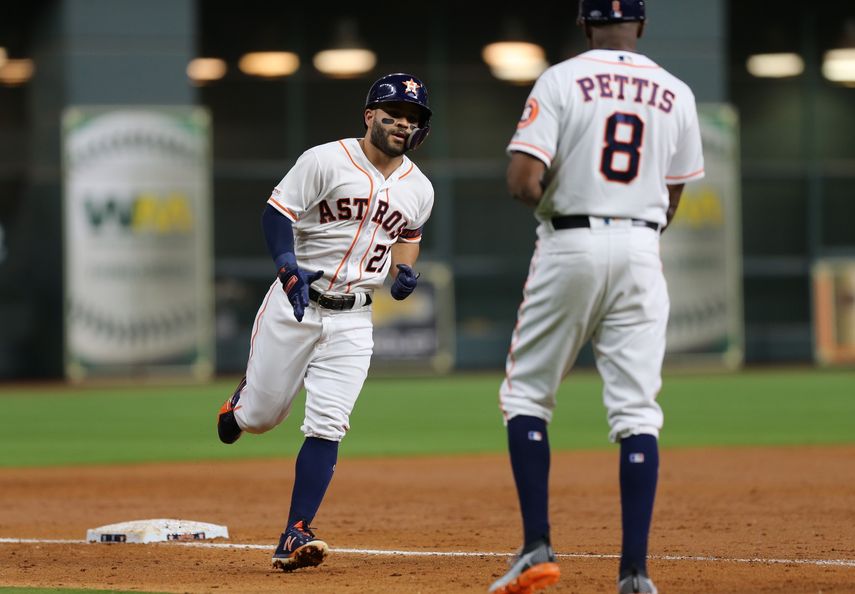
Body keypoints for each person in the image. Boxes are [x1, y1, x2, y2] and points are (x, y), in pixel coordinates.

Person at [488, 1, 705, 593]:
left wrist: (572, 202)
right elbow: (674, 193)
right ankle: (635, 574)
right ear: (641, 25)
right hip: (641, 249)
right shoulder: (676, 92)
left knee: (528, 395)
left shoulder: (561, 78)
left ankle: (536, 548)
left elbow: (521, 180)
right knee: (637, 410)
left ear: (584, 24)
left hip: (571, 243)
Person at [216, 72, 434, 572]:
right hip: (297, 303)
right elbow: (278, 212)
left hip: (356, 317)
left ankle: (295, 533)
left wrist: (403, 268)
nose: (403, 123)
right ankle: (238, 407)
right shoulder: (325, 160)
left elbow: (410, 234)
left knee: (329, 422)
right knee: (261, 419)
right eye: (394, 113)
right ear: (369, 115)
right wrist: (285, 263)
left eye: (413, 118)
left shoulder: (419, 187)